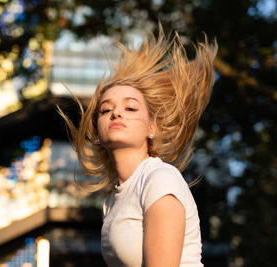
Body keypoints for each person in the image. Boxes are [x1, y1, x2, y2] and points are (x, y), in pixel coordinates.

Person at [58, 25, 217, 267]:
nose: (117, 113)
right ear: (98, 132)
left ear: (151, 128)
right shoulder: (113, 200)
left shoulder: (159, 178)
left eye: (130, 107)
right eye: (106, 110)